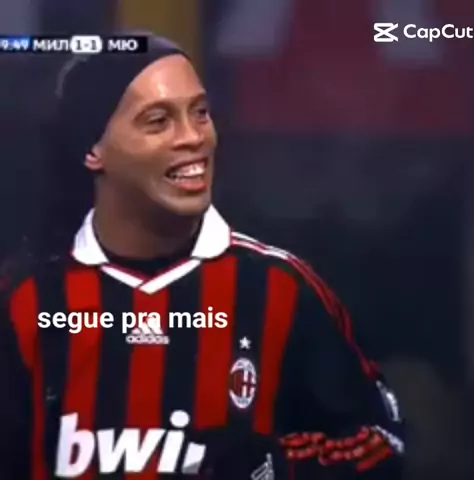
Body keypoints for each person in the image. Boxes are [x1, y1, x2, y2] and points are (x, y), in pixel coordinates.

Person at [0, 33, 405, 479]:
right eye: (159, 121)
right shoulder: (23, 300)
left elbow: (383, 445)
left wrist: (276, 466)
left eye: (200, 113)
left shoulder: (278, 288)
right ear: (93, 150)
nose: (194, 138)